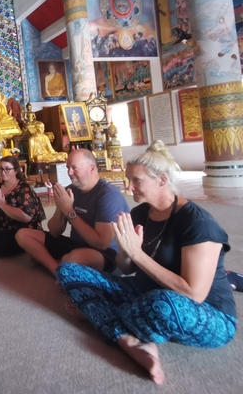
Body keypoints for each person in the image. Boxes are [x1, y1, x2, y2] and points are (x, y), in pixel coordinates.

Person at [55, 141, 237, 384]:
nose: (129, 188)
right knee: (68, 271)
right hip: (142, 292)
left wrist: (138, 253)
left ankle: (102, 317)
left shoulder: (198, 224)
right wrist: (126, 252)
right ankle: (126, 337)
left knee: (162, 304)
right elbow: (127, 268)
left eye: (136, 181)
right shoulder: (140, 213)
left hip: (205, 313)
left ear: (162, 180)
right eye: (128, 180)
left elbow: (193, 293)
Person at [16, 148, 129, 275]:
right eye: (67, 167)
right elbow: (54, 232)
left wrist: (69, 211)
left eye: (74, 168)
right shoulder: (71, 190)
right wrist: (60, 208)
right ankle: (56, 269)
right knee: (23, 235)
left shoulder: (109, 195)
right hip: (76, 244)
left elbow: (101, 243)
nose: (69, 172)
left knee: (76, 258)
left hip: (106, 253)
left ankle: (63, 264)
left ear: (91, 169)